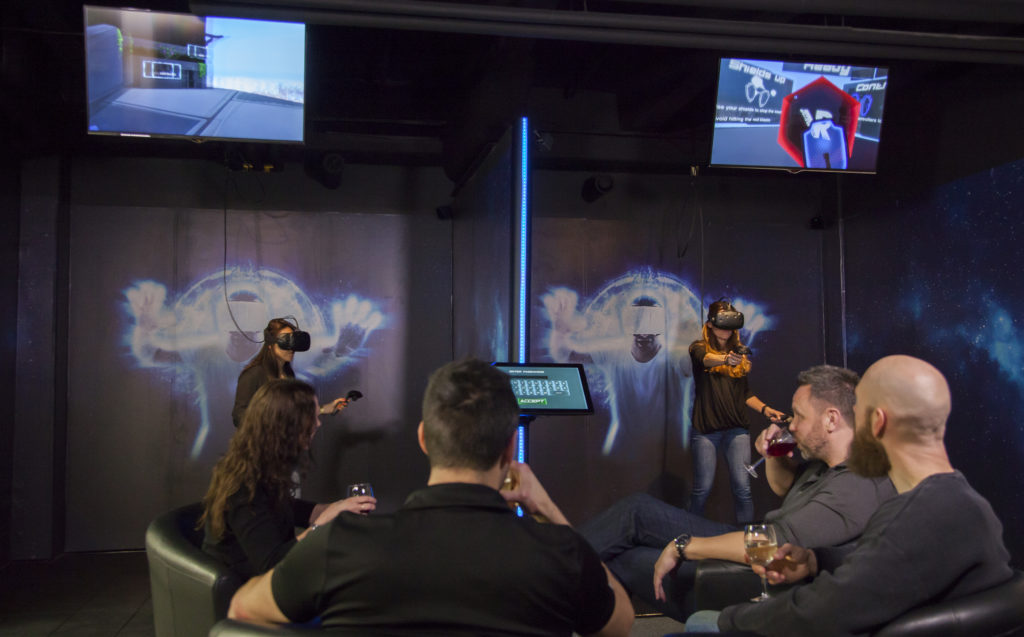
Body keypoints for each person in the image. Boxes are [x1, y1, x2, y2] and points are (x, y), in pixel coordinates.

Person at [226, 358, 635, 636]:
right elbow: (621, 623)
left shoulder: (338, 546)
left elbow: (242, 610)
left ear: (423, 439)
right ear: (510, 449)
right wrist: (547, 509)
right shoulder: (562, 553)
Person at [689, 355, 1013, 635]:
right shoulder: (963, 502)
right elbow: (891, 565)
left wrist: (733, 619)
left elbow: (820, 613)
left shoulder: (914, 517)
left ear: (877, 422)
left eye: (857, 414)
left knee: (700, 622)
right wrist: (816, 561)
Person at [578, 365, 896, 621]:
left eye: (799, 415)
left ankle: (553, 583)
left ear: (831, 419)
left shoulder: (860, 483)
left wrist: (683, 546)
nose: (793, 425)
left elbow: (774, 543)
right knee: (636, 510)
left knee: (621, 557)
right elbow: (785, 488)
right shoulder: (825, 464)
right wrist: (773, 456)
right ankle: (555, 574)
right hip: (753, 543)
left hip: (756, 576)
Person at [201, 379, 377, 578]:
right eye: (312, 417)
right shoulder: (243, 483)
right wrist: (321, 523)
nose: (318, 423)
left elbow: (285, 508)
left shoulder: (264, 465)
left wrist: (335, 509)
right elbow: (271, 563)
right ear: (286, 425)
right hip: (244, 585)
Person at [689, 299, 787, 524]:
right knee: (702, 489)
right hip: (706, 430)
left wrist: (766, 409)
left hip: (737, 431)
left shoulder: (739, 353)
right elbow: (705, 359)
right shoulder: (698, 348)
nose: (726, 329)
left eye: (730, 324)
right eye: (722, 323)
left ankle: (744, 537)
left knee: (743, 489)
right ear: (710, 324)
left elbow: (745, 393)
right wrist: (726, 359)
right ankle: (690, 534)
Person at [231, 318, 351, 428]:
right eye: (285, 342)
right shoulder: (253, 375)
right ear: (270, 346)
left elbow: (292, 412)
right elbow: (238, 416)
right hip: (263, 443)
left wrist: (325, 409)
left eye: (293, 342)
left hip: (285, 442)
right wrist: (268, 425)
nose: (291, 348)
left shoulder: (288, 374)